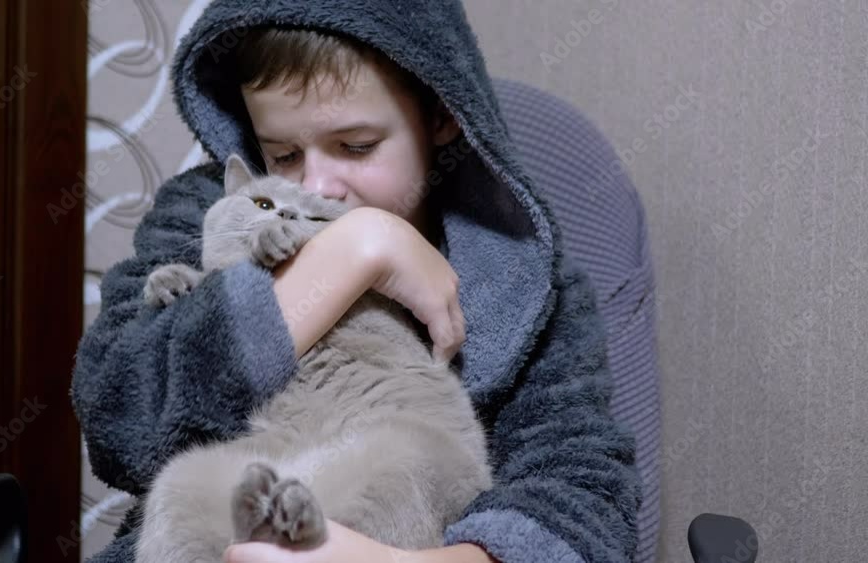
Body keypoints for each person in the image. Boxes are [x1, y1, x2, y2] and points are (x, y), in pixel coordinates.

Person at [70, 1, 643, 562]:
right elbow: (121, 420)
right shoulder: (209, 208)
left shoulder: (523, 276)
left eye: (356, 147)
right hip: (224, 526)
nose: (318, 187)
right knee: (176, 499)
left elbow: (582, 499)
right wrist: (356, 252)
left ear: (442, 114)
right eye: (284, 154)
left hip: (401, 532)